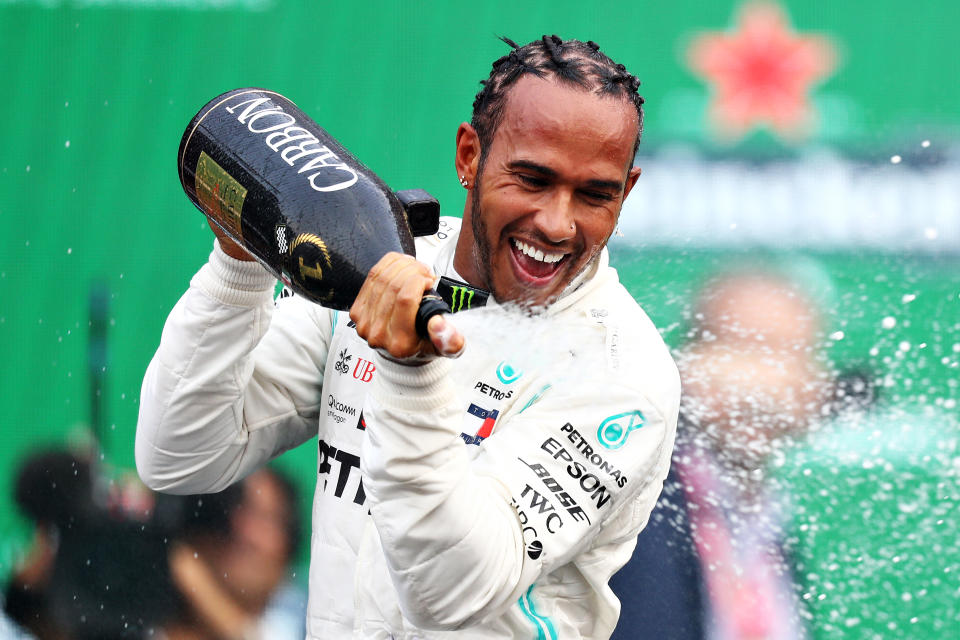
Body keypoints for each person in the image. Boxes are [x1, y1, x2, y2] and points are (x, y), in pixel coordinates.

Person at [137, 35, 680, 639]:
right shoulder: (381, 263)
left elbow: (448, 596)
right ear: (469, 155)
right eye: (531, 180)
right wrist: (238, 264)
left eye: (594, 195)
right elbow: (180, 455)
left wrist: (410, 368)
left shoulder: (623, 372)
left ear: (626, 192)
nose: (557, 223)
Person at [611, 270, 832, 639]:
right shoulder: (638, 500)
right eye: (742, 351)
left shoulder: (766, 520)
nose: (764, 385)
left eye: (790, 357)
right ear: (685, 363)